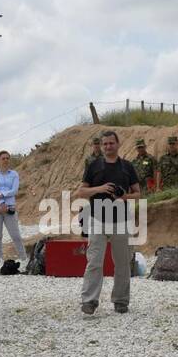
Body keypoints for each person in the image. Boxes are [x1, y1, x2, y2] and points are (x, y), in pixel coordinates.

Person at [76, 130, 141, 315]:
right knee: (94, 262)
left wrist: (124, 197)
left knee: (122, 263)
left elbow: (138, 193)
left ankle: (121, 301)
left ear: (118, 144)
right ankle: (89, 301)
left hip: (121, 221)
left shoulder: (127, 167)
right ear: (101, 145)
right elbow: (81, 192)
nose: (107, 146)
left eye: (111, 143)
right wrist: (101, 188)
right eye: (104, 144)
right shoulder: (93, 166)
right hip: (97, 220)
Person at [0, 150, 27, 267]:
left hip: (10, 208)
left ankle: (23, 258)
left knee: (15, 235)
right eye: (3, 158)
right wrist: (0, 204)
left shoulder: (14, 174)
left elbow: (14, 190)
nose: (6, 160)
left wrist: (1, 196)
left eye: (7, 158)